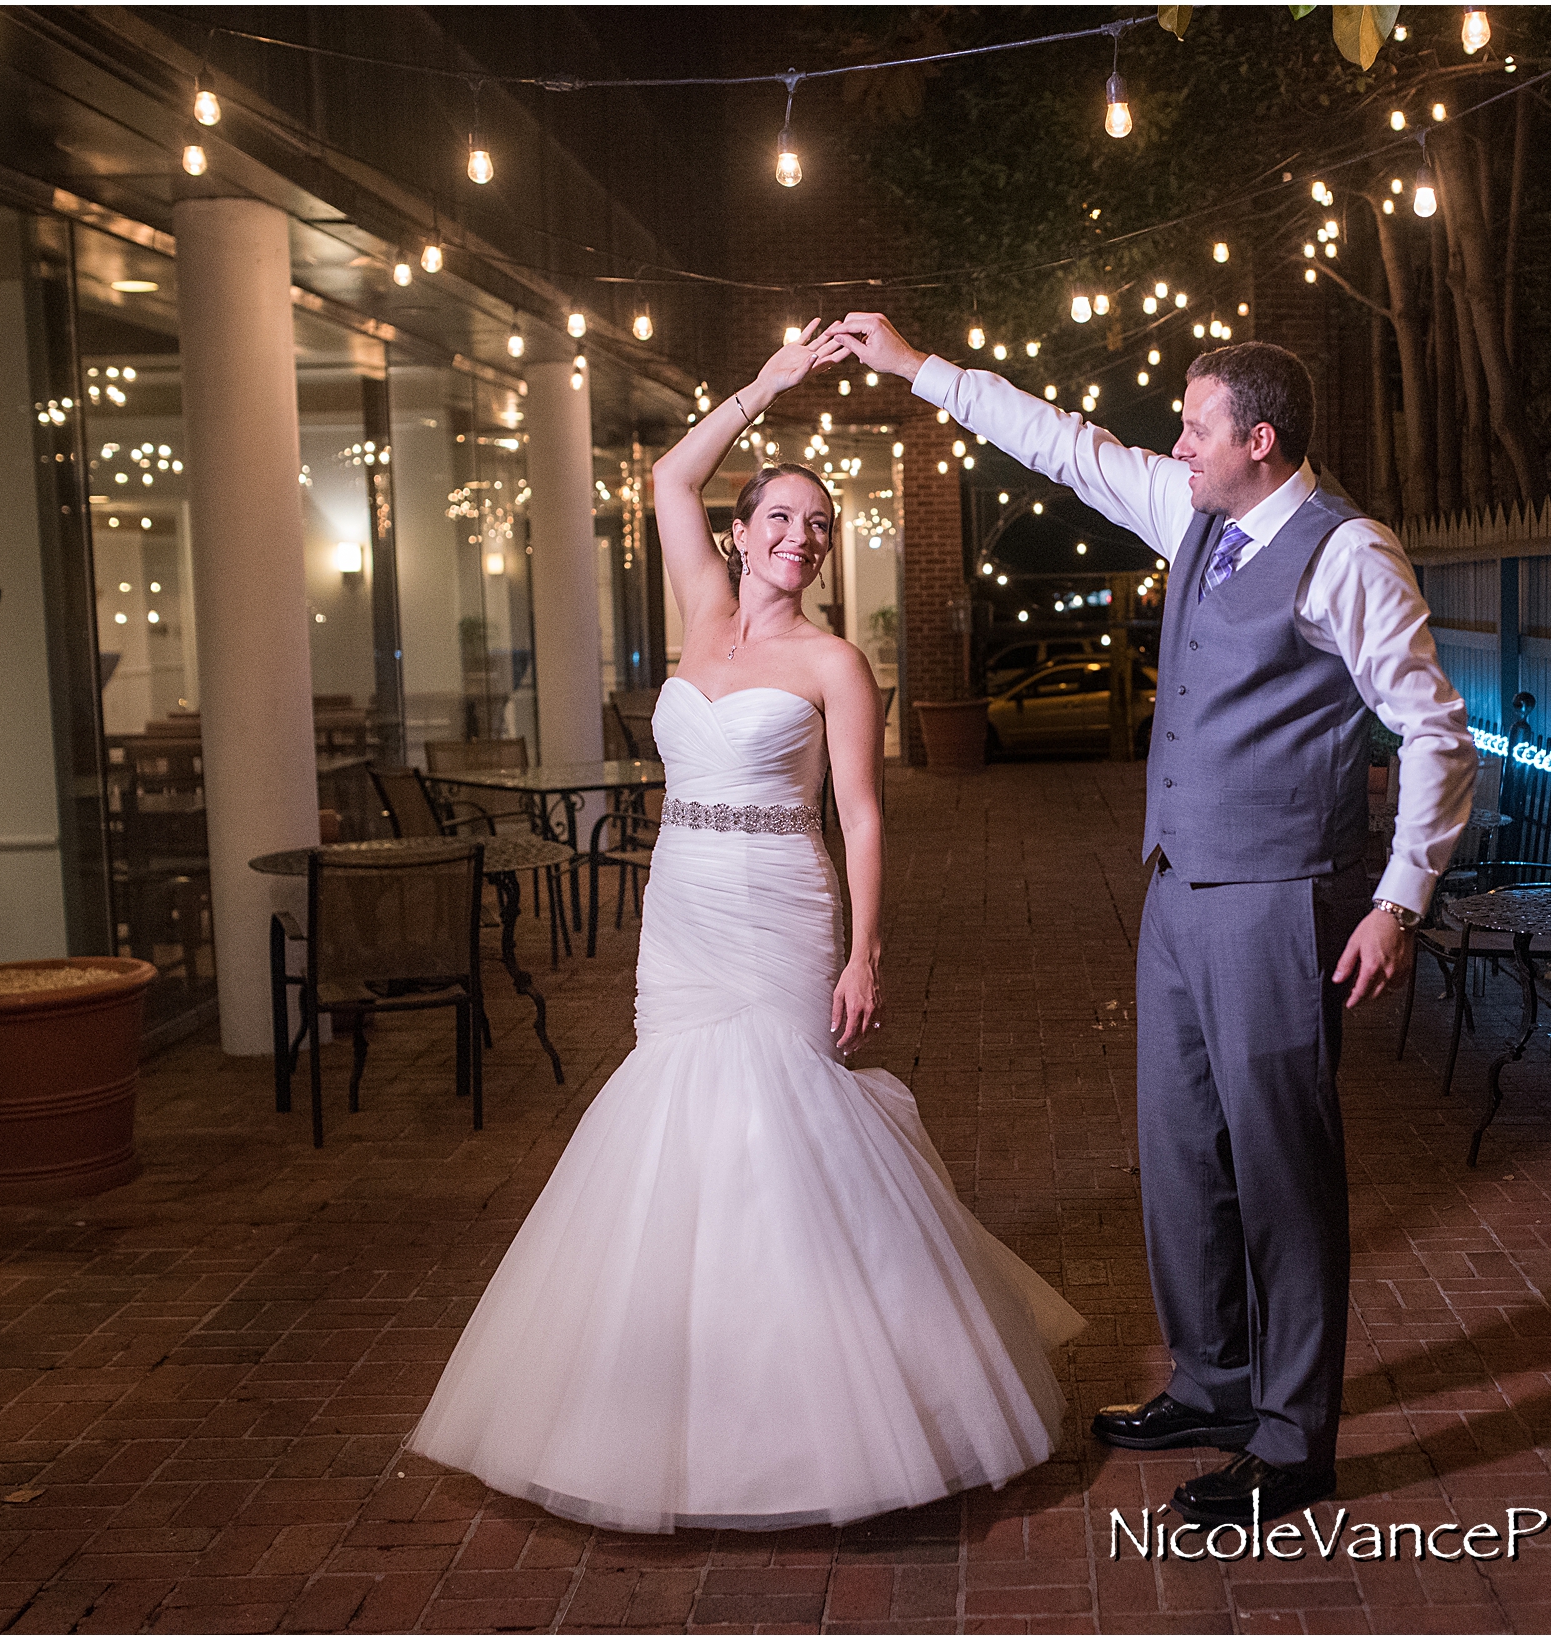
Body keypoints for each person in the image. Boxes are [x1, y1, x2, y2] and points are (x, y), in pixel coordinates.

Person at [405, 324, 1083, 1534]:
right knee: (677, 1118)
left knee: (778, 1122)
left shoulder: (835, 662)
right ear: (739, 531)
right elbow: (666, 475)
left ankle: (826, 1409)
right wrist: (765, 383)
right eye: (777, 515)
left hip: (778, 902)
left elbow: (864, 819)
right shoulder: (702, 612)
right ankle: (689, 1398)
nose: (797, 536)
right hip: (682, 903)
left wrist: (866, 948)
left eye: (816, 525)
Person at [824, 313, 1475, 1528]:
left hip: (1281, 894)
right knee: (1180, 1149)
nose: (1173, 446)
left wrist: (1396, 901)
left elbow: (1436, 732)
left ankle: (1292, 1438)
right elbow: (1063, 446)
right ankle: (1215, 1380)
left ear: (1259, 440)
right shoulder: (1197, 516)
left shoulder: (1348, 556)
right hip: (1177, 887)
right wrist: (919, 369)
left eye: (1192, 427)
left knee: (1282, 1163)